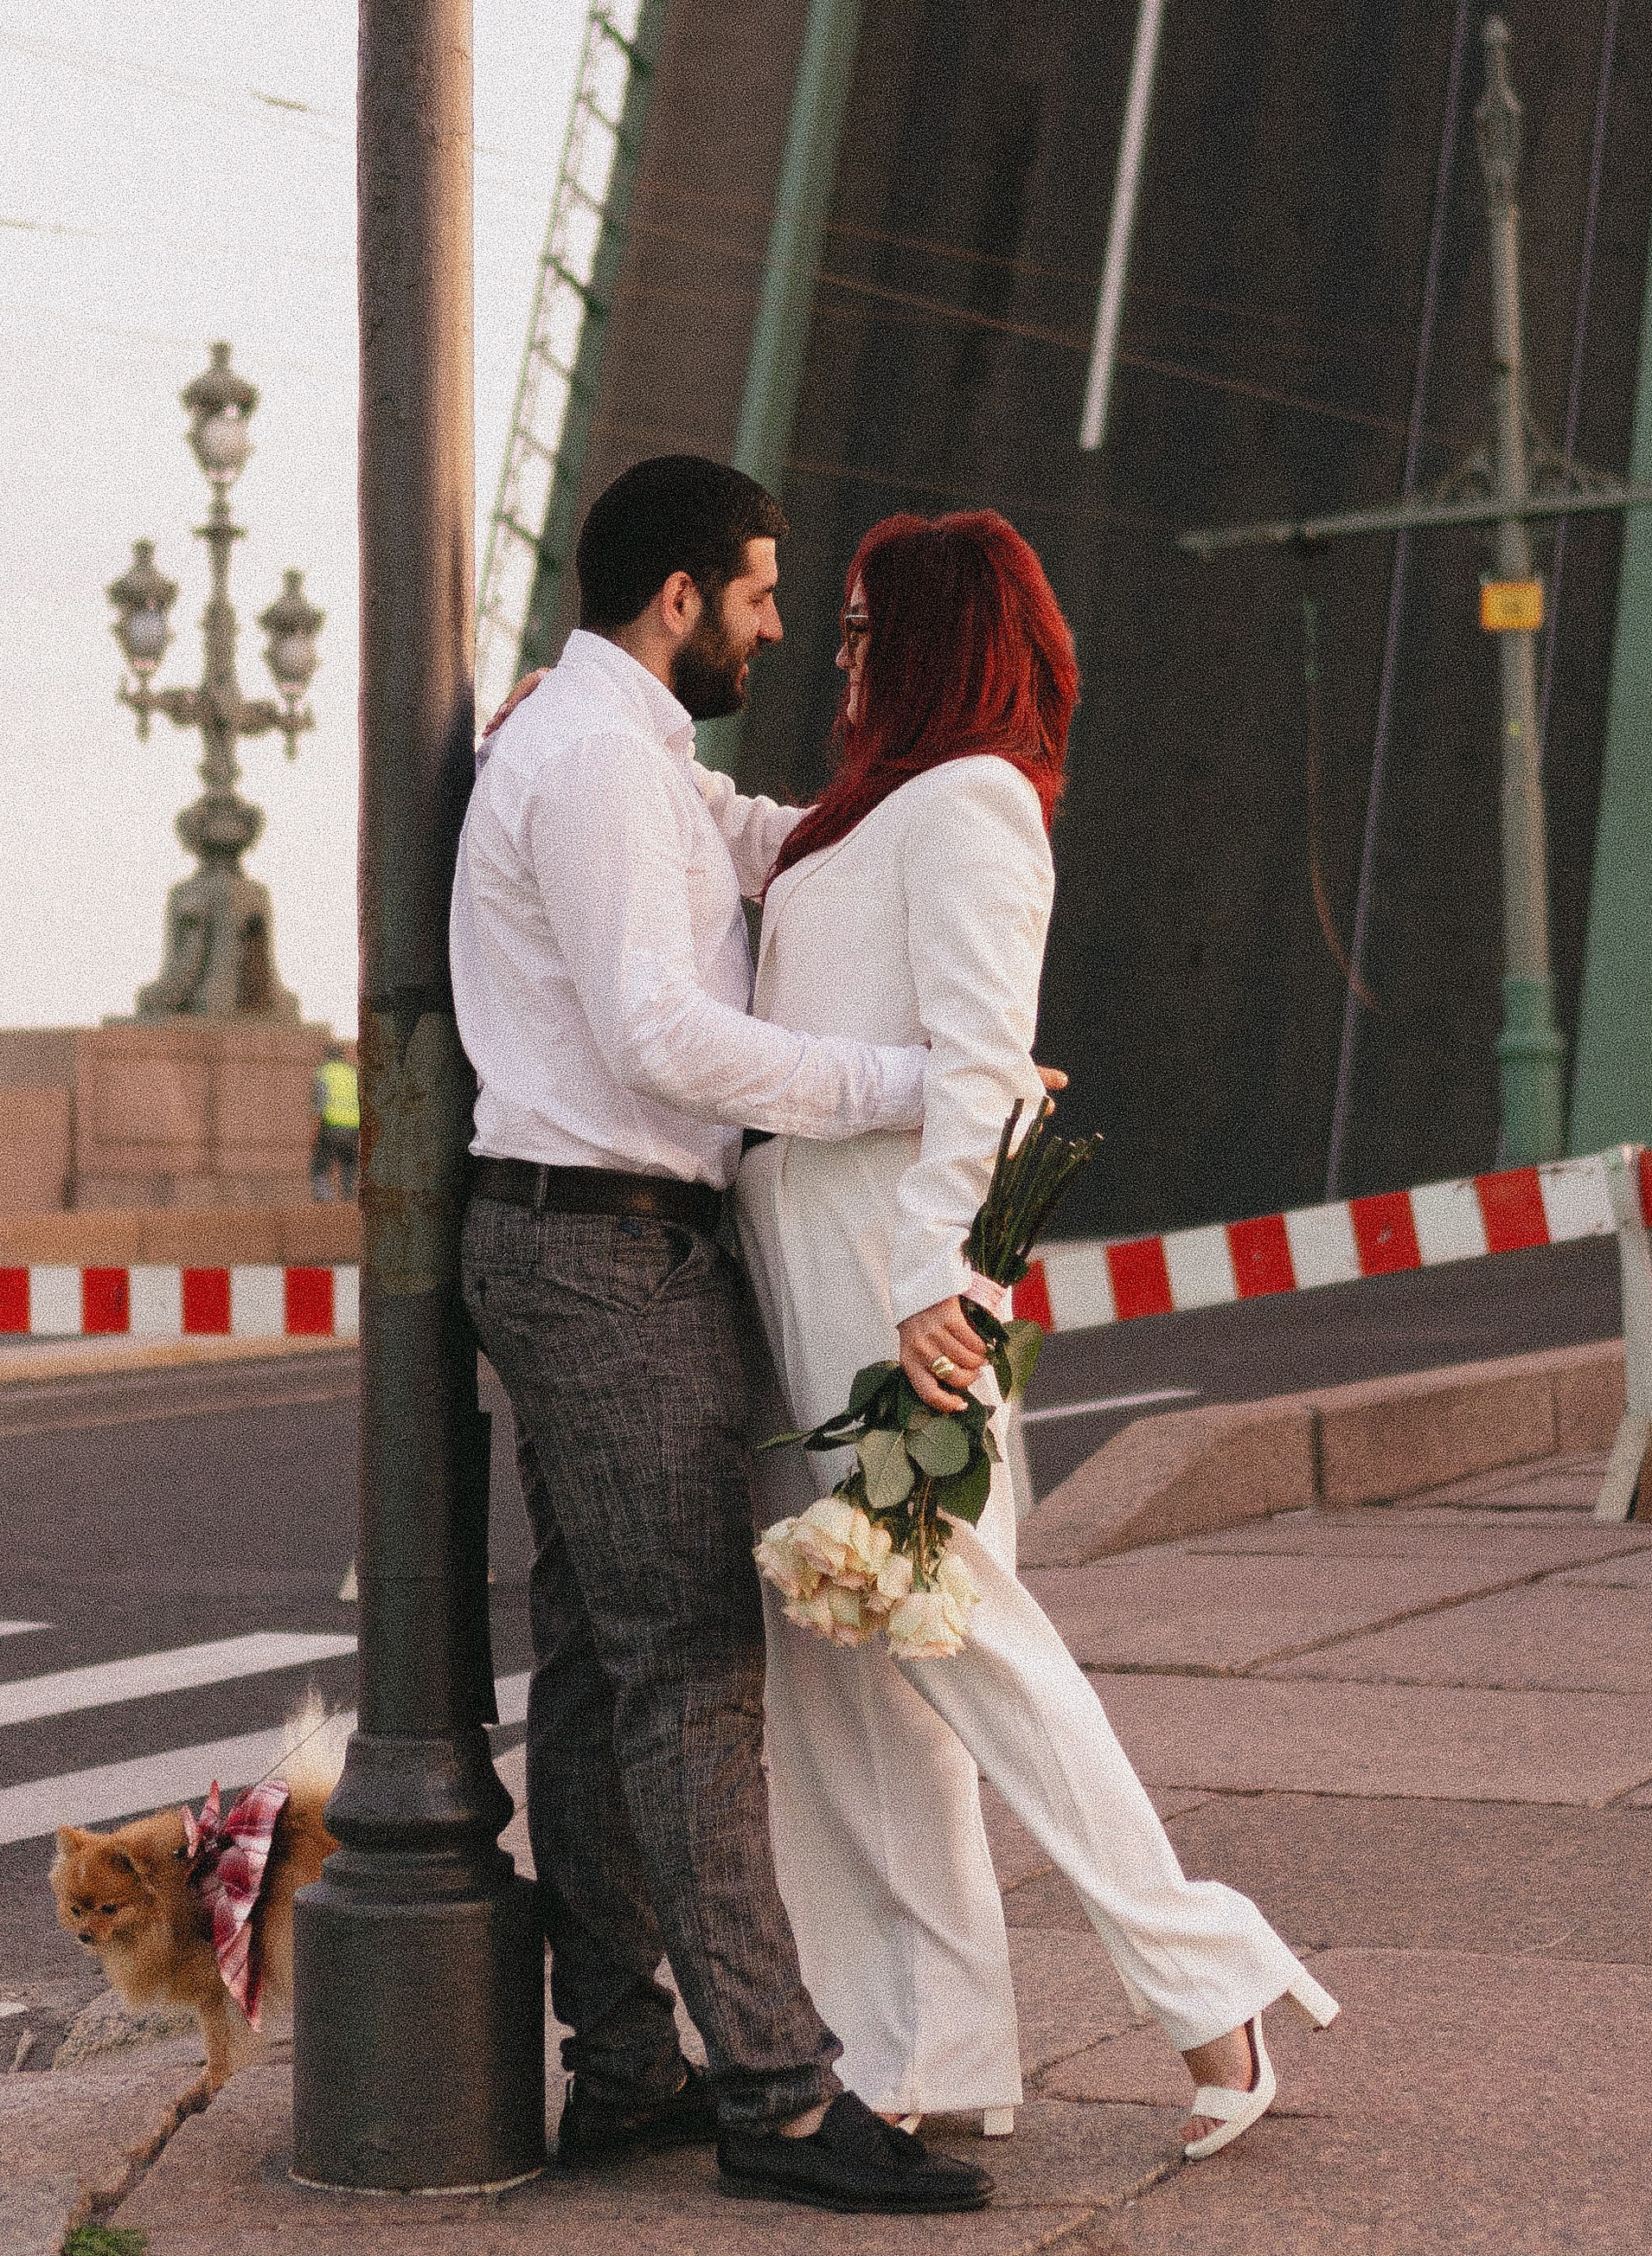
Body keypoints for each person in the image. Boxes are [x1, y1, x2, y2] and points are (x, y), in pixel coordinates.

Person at [735, 510, 1338, 2159]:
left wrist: (942, 1279)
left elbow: (986, 1060)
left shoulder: (977, 806)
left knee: (966, 1633)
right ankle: (925, 2046)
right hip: (816, 1258)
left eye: (865, 633)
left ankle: (1209, 1982)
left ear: (937, 639)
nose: (841, 659)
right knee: (859, 1665)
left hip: (895, 1275)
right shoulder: (858, 823)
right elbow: (733, 835)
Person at [450, 454, 992, 2214]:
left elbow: (771, 843)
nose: (773, 621)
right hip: (603, 1249)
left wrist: (900, 801)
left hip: (589, 1242)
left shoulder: (633, 755)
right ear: (678, 598)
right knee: (691, 1670)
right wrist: (906, 1084)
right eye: (759, 594)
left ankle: (622, 2068)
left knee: (612, 1671)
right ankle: (774, 2090)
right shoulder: (599, 759)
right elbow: (657, 1037)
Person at [309, 1047, 358, 1202]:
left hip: (331, 1126)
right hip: (353, 1128)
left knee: (320, 1167)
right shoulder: (352, 1073)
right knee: (349, 1165)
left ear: (327, 1057)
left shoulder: (324, 1073)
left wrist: (314, 1133)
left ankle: (327, 1205)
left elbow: (319, 1105)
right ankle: (349, 1204)